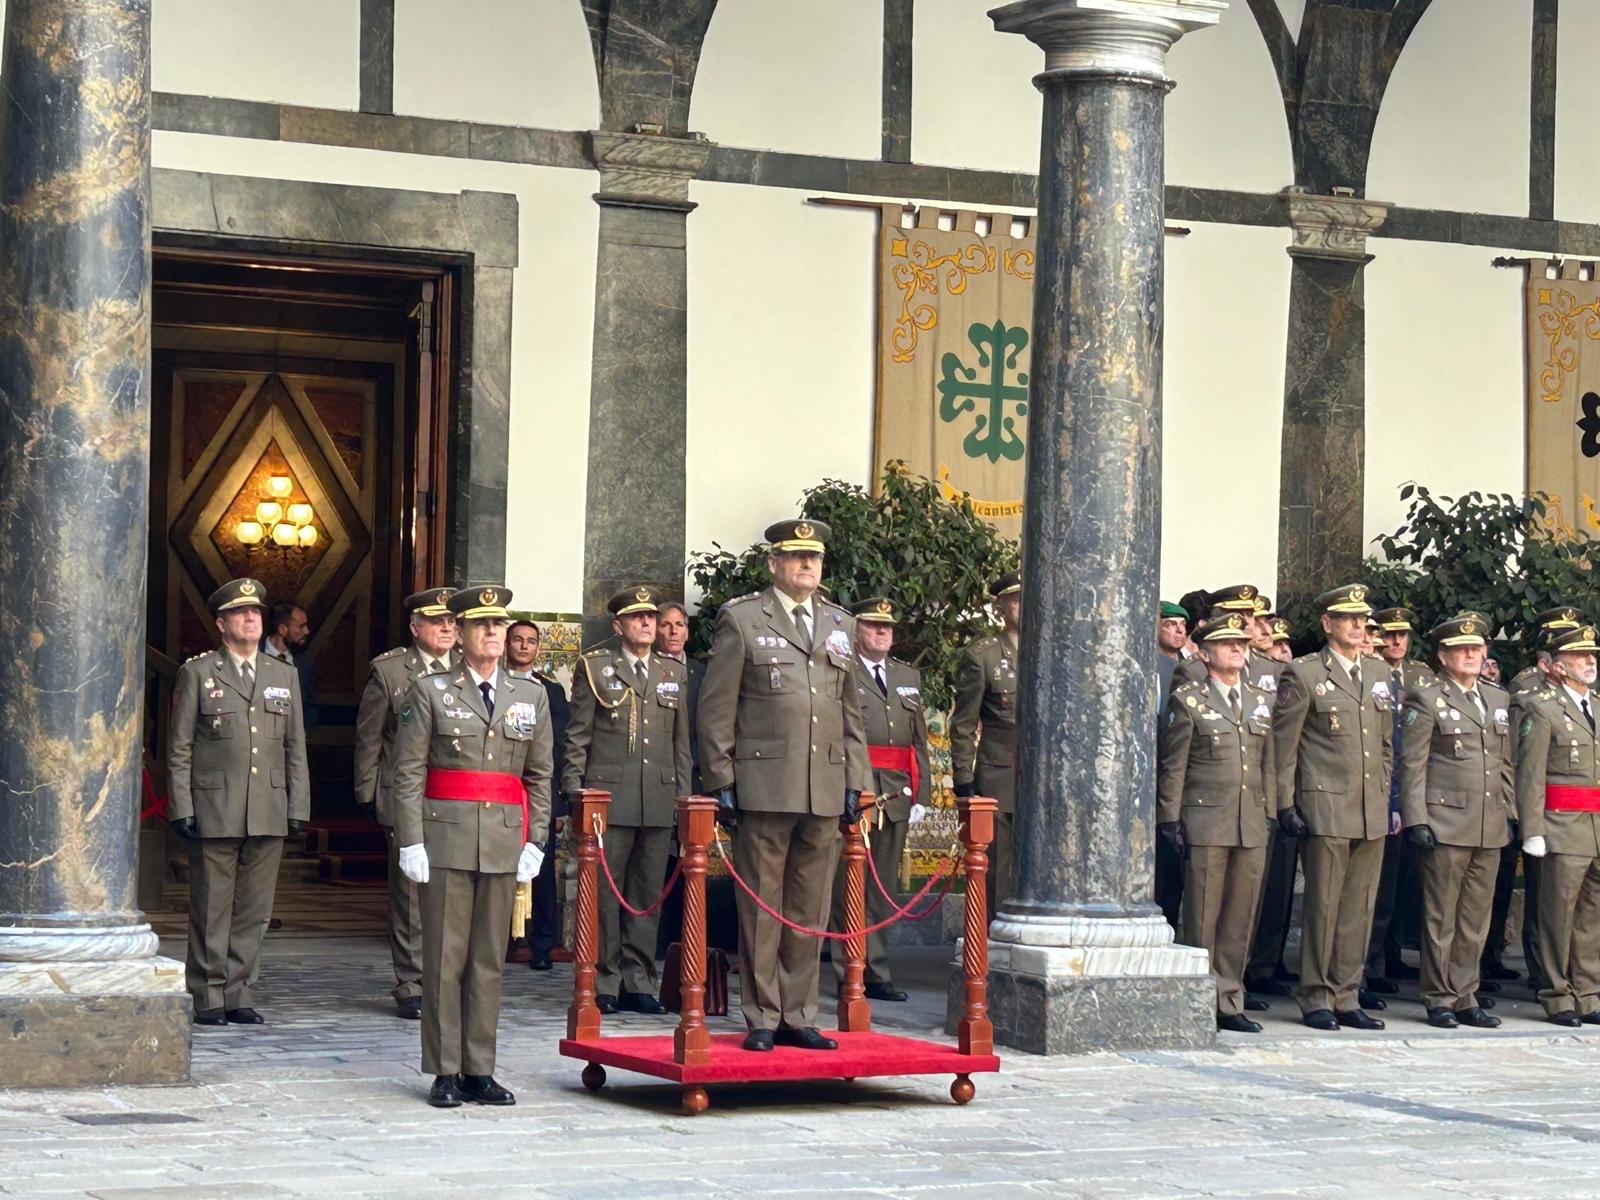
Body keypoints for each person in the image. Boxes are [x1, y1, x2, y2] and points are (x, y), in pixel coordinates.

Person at [697, 518, 869, 1052]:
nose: (806, 566)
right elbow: (717, 707)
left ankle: (800, 1012)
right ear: (774, 563)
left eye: (814, 558)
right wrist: (721, 777)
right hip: (765, 782)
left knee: (810, 907)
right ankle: (763, 1016)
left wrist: (854, 781)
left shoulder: (840, 624)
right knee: (763, 906)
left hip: (824, 785)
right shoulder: (744, 619)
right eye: (796, 557)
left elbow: (850, 711)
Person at [392, 584, 553, 1106]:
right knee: (444, 957)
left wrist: (537, 840)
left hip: (505, 839)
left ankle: (479, 1068)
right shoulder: (432, 690)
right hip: (447, 837)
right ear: (459, 634)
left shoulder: (530, 695)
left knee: (489, 959)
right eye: (482, 625)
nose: (493, 633)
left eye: (499, 626)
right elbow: (409, 772)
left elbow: (540, 775)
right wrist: (411, 839)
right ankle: (444, 1068)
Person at [167, 578, 309, 1026]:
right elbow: (179, 747)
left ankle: (239, 991)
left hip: (268, 805)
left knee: (254, 909)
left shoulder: (283, 674)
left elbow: (294, 746)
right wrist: (181, 805)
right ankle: (207, 994)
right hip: (215, 805)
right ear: (222, 623)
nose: (251, 619)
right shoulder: (199, 672)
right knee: (211, 905)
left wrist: (298, 806)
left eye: (256, 613)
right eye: (241, 613)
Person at [563, 586, 691, 1014]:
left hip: (657, 797)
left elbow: (681, 744)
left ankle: (638, 980)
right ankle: (604, 979)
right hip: (608, 798)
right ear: (618, 625)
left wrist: (684, 799)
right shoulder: (596, 668)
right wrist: (574, 790)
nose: (647, 624)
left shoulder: (672, 671)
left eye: (651, 617)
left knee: (645, 895)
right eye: (637, 618)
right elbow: (578, 735)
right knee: (604, 894)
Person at [1273, 584, 1393, 1031]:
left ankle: (1347, 992)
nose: (1359, 625)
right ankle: (1316, 994)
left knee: (1358, 907)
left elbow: (1384, 743)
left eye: (1362, 618)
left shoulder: (1379, 672)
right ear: (1328, 624)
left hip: (1369, 807)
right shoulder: (1304, 674)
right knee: (1323, 906)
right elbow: (1285, 747)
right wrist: (1285, 803)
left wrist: (1383, 789)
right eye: (1349, 618)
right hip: (1325, 804)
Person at [1157, 613, 1275, 1033]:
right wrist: (1169, 818)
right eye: (1228, 644)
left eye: (1241, 643)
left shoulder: (1261, 699)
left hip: (1251, 821)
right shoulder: (1189, 700)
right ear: (1205, 655)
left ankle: (1229, 997)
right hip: (1206, 819)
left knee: (1240, 916)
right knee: (1203, 914)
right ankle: (1197, 997)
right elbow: (1174, 766)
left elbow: (1270, 763)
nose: (1238, 649)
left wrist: (1271, 811)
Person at [1398, 614, 1510, 1029]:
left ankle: (1466, 994)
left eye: (1477, 648)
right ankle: (1439, 996)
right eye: (1462, 649)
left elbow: (1505, 764)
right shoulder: (1427, 698)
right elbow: (1412, 764)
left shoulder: (1497, 699)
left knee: (1475, 920)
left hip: (1488, 821)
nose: (1471, 655)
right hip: (1444, 820)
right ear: (1443, 655)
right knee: (1440, 916)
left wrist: (1510, 812)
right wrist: (1416, 819)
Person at [352, 586, 459, 1019]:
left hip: (457, 797)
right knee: (412, 895)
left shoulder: (471, 668)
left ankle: (448, 978)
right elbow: (370, 737)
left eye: (452, 621)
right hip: (406, 796)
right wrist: (367, 792)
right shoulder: (392, 671)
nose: (448, 628)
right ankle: (412, 982)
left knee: (455, 891)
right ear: (416, 628)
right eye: (437, 621)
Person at [829, 596, 932, 1002]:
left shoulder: (908, 676)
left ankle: (878, 968)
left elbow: (919, 742)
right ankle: (847, 968)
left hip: (896, 790)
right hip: (857, 784)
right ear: (857, 631)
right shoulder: (842, 673)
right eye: (873, 626)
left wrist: (921, 793)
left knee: (883, 885)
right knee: (849, 882)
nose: (882, 632)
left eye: (887, 627)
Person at [1494, 605, 1587, 990]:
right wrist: (1525, 817)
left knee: (1580, 910)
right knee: (1545, 901)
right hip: (1550, 812)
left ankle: (1578, 979)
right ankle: (1543, 974)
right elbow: (1520, 758)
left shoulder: (1587, 698)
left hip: (1584, 821)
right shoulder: (1528, 689)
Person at [1513, 623, 1600, 1027]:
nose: (1590, 662)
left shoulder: (1597, 706)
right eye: (1582, 656)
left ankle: (1587, 992)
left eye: (1592, 655)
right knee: (1556, 916)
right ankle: (1556, 994)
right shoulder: (1542, 707)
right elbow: (1530, 774)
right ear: (1559, 666)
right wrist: (1532, 830)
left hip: (1595, 828)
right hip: (1561, 826)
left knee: (1590, 918)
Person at [1364, 607, 1430, 1000]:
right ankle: (1370, 963)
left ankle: (1388, 954)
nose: (1395, 642)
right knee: (1378, 885)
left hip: (1409, 785)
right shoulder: (1374, 675)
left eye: (1402, 635)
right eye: (1389, 635)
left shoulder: (1419, 676)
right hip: (1380, 787)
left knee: (1399, 883)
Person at [950, 571, 1021, 916]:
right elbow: (963, 723)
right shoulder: (984, 656)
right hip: (1000, 775)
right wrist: (963, 778)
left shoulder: (1052, 653)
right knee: (997, 873)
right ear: (1001, 607)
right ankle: (989, 949)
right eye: (1017, 599)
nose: (1025, 605)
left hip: (1042, 782)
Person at [505, 615, 571, 971]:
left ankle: (543, 943)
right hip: (501, 790)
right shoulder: (494, 684)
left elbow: (558, 747)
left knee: (542, 868)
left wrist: (558, 800)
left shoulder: (551, 691)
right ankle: (502, 939)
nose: (524, 646)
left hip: (538, 792)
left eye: (531, 640)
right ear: (506, 644)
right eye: (517, 639)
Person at [656, 600, 704, 792]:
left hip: (697, 773)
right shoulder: (644, 672)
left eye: (679, 625)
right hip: (656, 772)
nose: (673, 632)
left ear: (687, 631)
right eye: (665, 625)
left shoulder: (703, 673)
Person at [262, 600, 317, 728]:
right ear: (282, 629)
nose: (307, 631)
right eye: (301, 626)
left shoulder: (305, 662)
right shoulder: (252, 656)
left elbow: (309, 703)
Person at [1157, 601, 1188, 713]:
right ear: (1156, 628)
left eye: (1183, 624)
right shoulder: (1148, 666)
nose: (1180, 630)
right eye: (1170, 624)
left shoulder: (1190, 666)